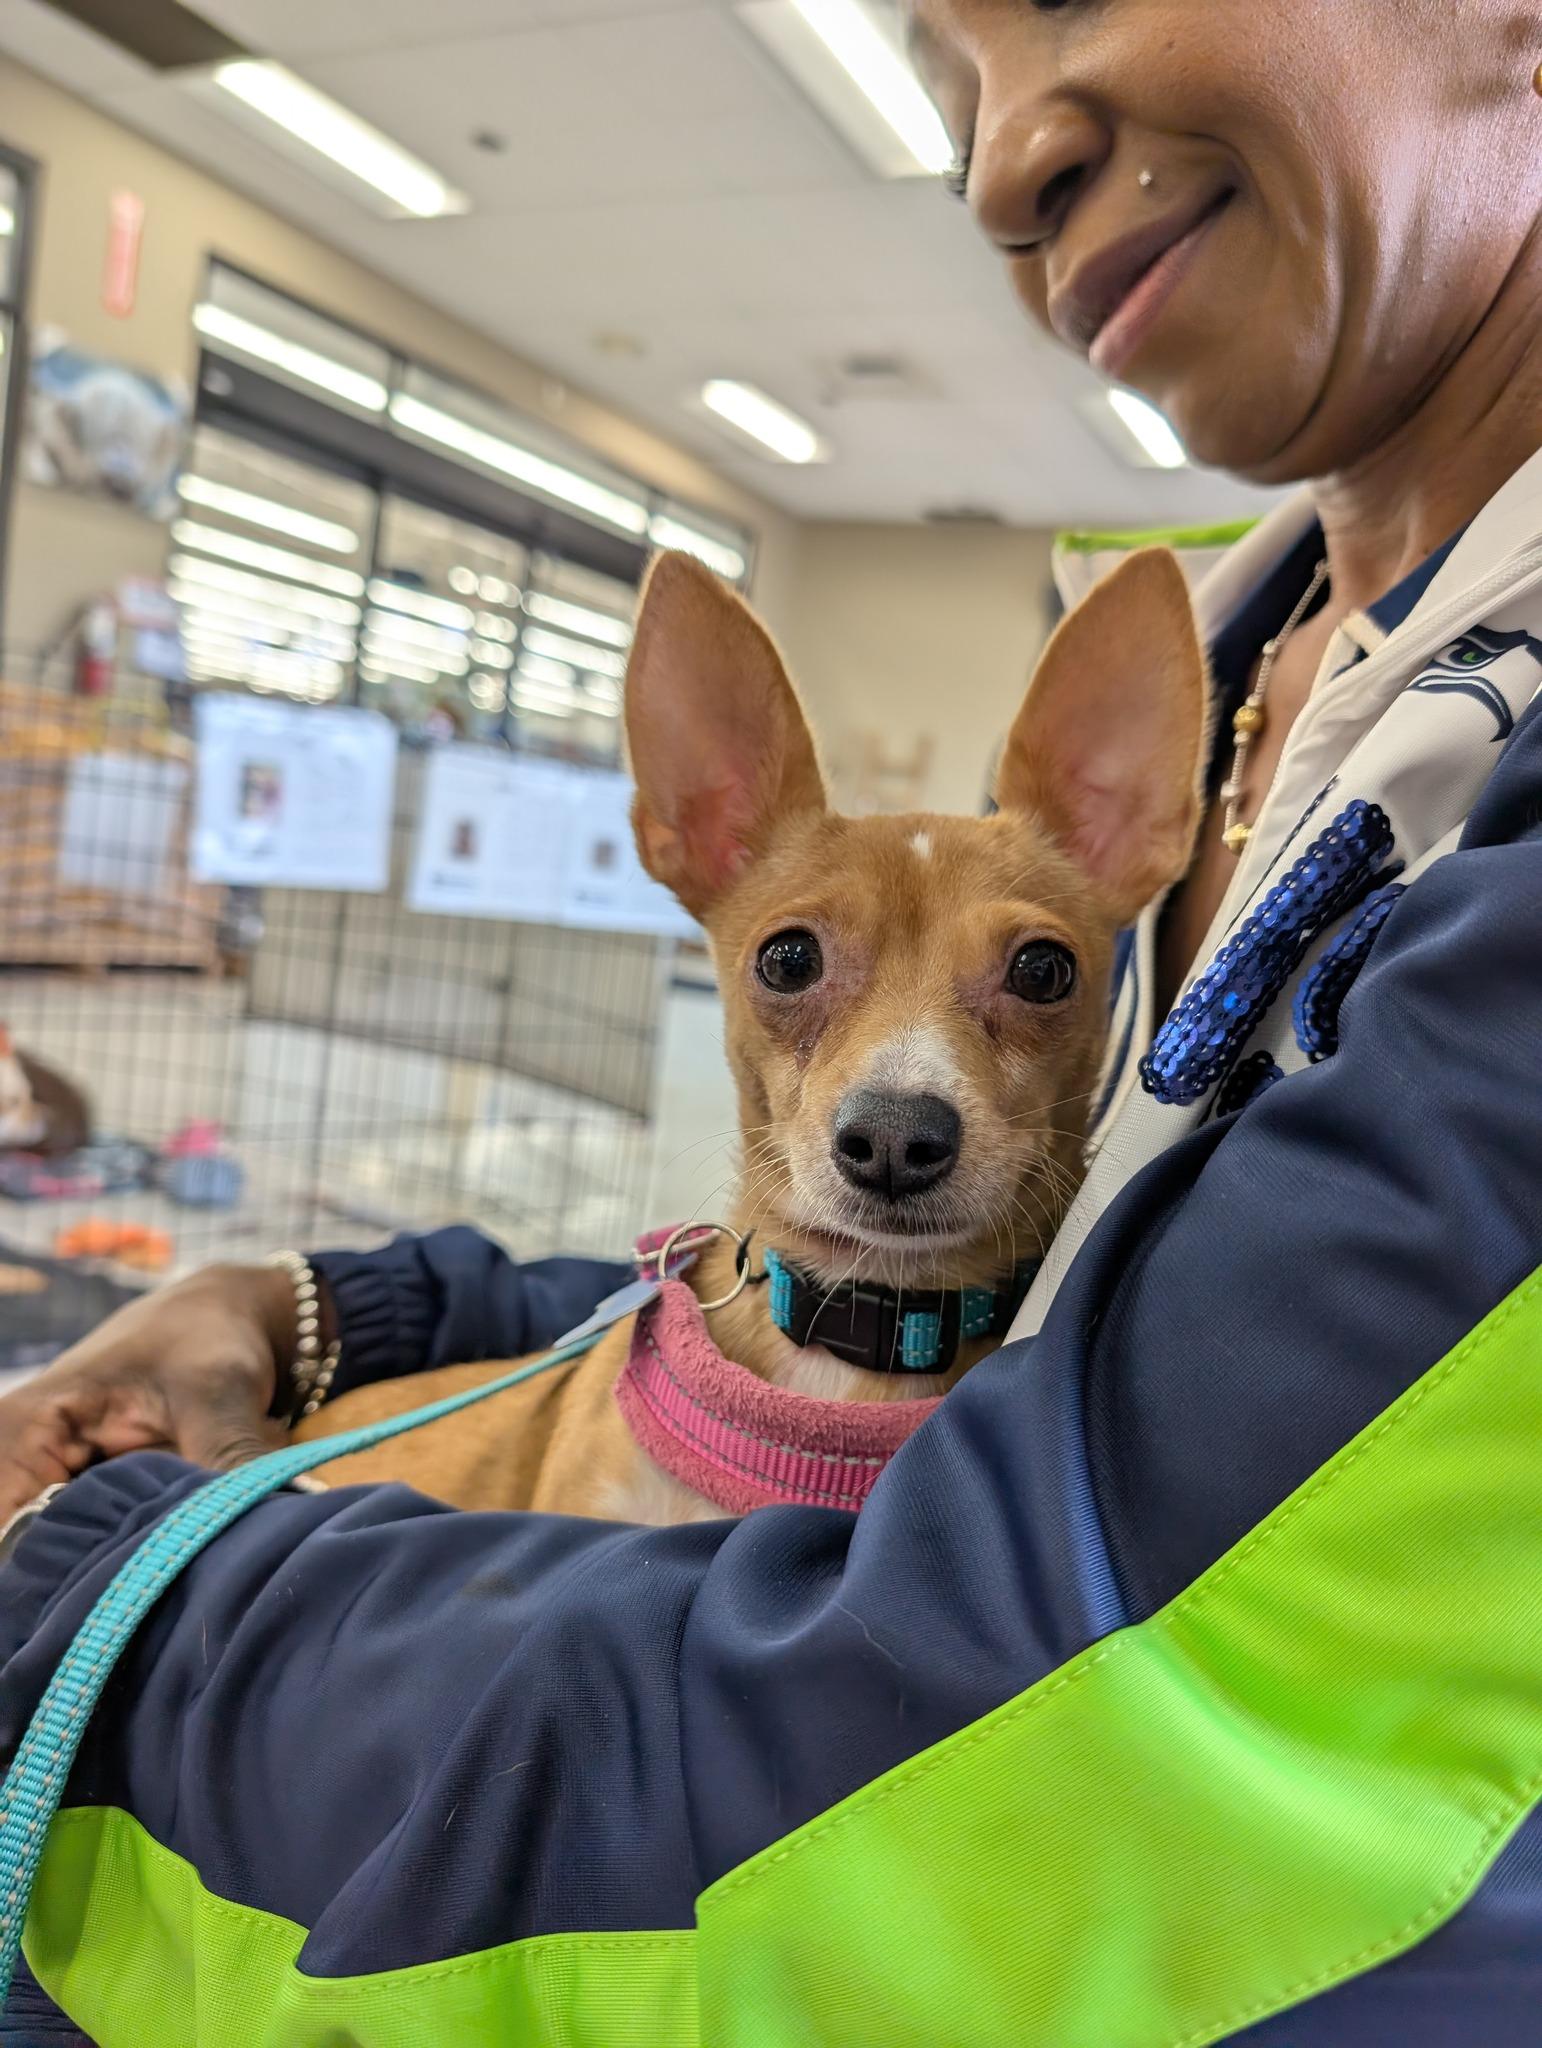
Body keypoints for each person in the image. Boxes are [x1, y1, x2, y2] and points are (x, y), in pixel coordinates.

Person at [3, 5, 1541, 2041]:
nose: (998, 163)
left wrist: (81, 1578)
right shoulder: (1255, 669)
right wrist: (336, 1309)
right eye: (941, 81)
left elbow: (937, 1750)